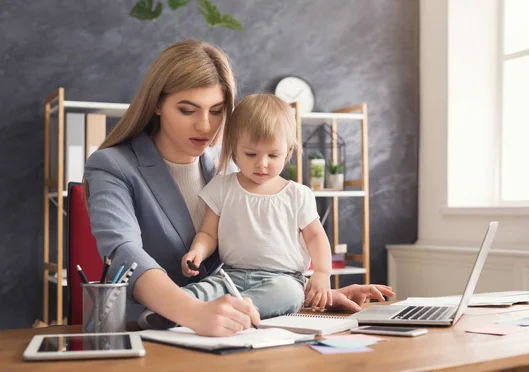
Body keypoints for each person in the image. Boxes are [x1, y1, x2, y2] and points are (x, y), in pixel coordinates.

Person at [84, 39, 395, 337]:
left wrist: (317, 292)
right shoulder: (112, 166)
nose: (205, 126)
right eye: (188, 110)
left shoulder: (232, 169)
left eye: (217, 111)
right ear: (157, 105)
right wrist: (193, 312)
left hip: (229, 332)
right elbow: (127, 255)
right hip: (145, 334)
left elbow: (256, 259)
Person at [179, 93, 332, 320]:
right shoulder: (222, 186)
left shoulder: (298, 194)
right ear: (234, 150)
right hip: (230, 277)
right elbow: (208, 233)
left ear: (288, 152)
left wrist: (322, 273)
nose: (262, 164)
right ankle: (171, 310)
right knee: (200, 291)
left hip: (282, 279)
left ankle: (233, 309)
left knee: (290, 294)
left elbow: (315, 237)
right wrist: (197, 251)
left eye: (273, 155)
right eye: (251, 154)